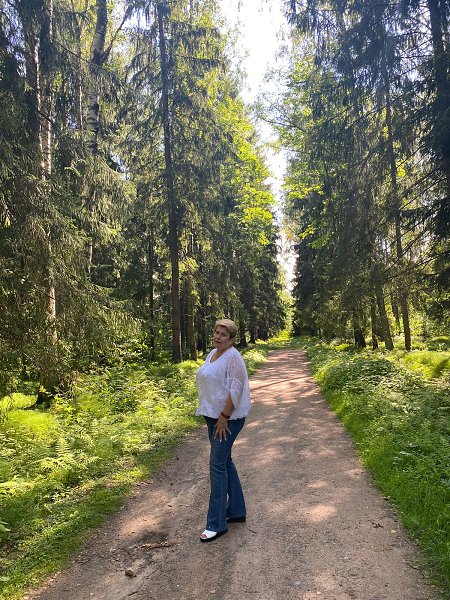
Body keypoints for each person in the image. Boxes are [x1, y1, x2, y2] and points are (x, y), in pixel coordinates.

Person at [195, 318, 251, 542]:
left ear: (232, 339)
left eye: (223, 334)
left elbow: (235, 390)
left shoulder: (233, 358)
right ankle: (236, 511)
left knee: (216, 466)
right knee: (225, 462)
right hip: (213, 417)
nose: (218, 337)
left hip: (227, 420)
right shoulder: (212, 354)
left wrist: (224, 418)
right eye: (216, 332)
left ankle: (216, 524)